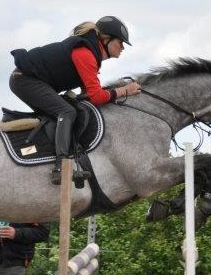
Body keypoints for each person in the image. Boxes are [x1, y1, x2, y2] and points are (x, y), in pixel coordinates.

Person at [10, 16, 142, 185]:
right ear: (106, 39)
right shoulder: (85, 53)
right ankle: (61, 165)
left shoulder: (90, 52)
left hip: (30, 80)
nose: (123, 47)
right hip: (24, 80)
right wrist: (125, 90)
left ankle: (46, 154)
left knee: (72, 109)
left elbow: (89, 94)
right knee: (67, 111)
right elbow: (96, 97)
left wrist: (115, 91)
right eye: (120, 42)